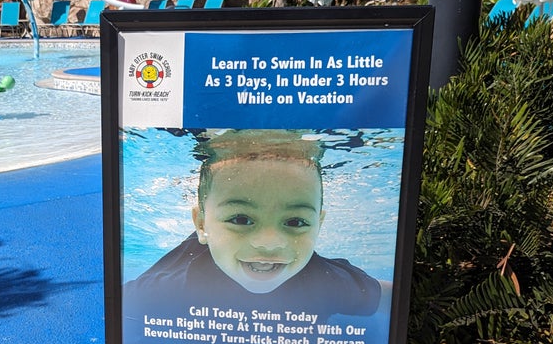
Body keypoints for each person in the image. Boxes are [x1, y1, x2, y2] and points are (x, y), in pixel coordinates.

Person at [125, 129, 391, 316]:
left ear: (319, 225)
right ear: (201, 223)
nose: (269, 242)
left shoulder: (327, 283)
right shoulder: (167, 288)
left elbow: (388, 296)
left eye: (296, 221)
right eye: (241, 219)